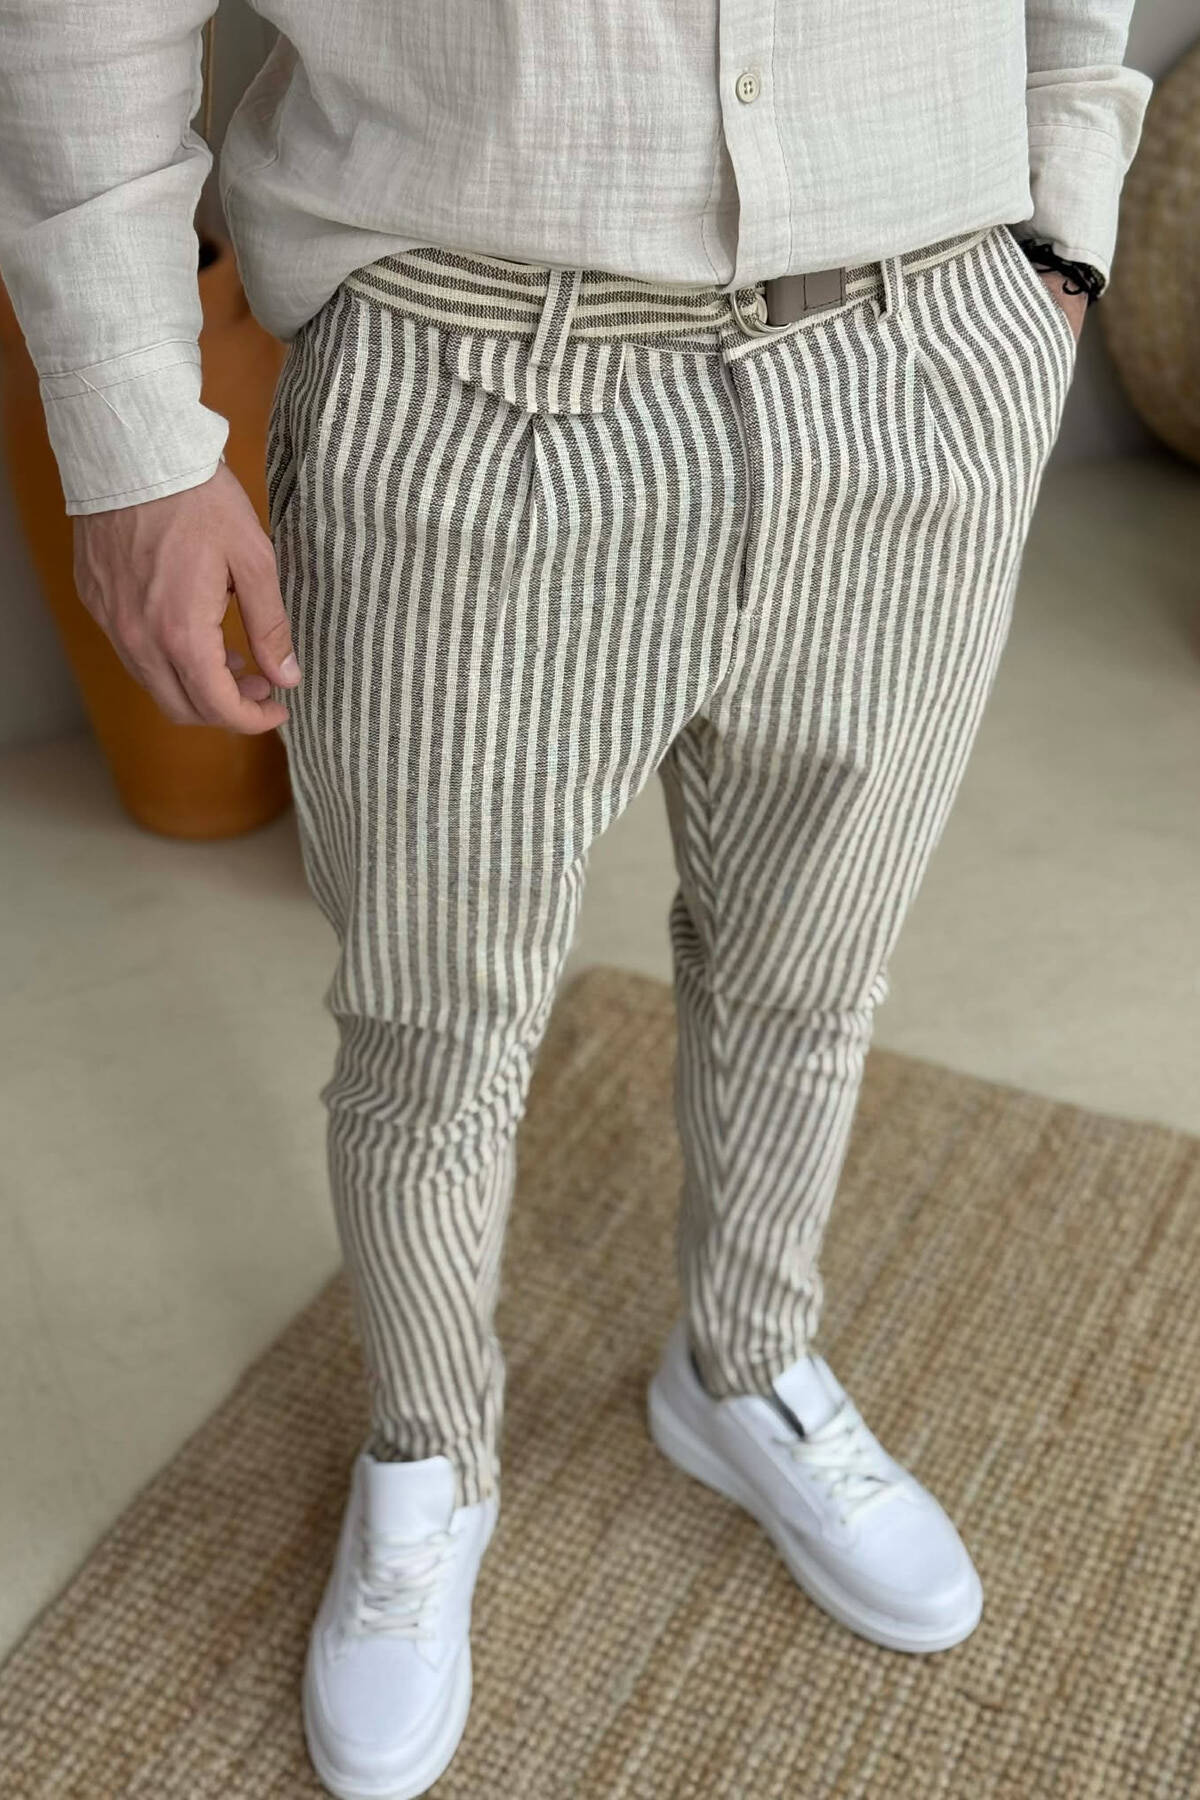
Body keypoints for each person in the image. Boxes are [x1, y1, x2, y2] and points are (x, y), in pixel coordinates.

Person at [0, 4, 1151, 1796]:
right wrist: (133, 431)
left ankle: (748, 1364)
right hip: (468, 374)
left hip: (924, 354)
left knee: (813, 962)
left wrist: (1065, 207)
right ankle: (428, 1451)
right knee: (431, 1026)